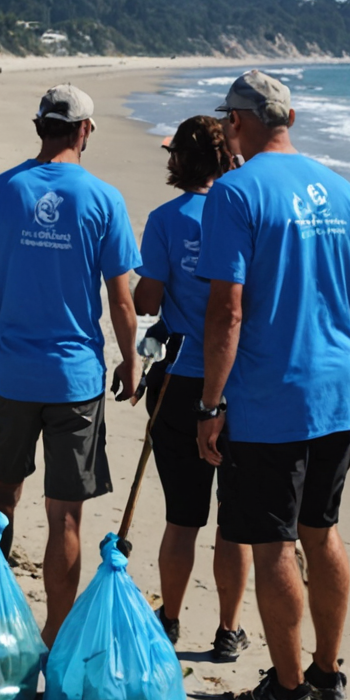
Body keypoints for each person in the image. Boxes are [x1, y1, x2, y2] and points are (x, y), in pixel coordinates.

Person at [195, 70, 350, 700]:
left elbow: (227, 309)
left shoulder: (235, 192)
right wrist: (332, 348)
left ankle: (289, 688)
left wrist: (211, 403)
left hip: (271, 394)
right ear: (288, 118)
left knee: (272, 542)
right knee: (322, 531)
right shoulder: (342, 189)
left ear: (237, 122)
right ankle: (328, 674)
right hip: (336, 389)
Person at [0, 84, 141, 642]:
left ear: (40, 127)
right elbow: (121, 297)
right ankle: (56, 640)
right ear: (84, 130)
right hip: (75, 379)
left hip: (11, 374)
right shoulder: (103, 199)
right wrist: (132, 360)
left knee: (1, 494)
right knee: (65, 516)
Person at [132, 115, 250, 661]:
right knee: (235, 516)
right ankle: (228, 630)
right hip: (239, 382)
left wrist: (149, 297)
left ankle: (172, 619)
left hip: (180, 380)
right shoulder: (245, 211)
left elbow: (148, 300)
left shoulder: (166, 218)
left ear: (182, 159)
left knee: (182, 514)